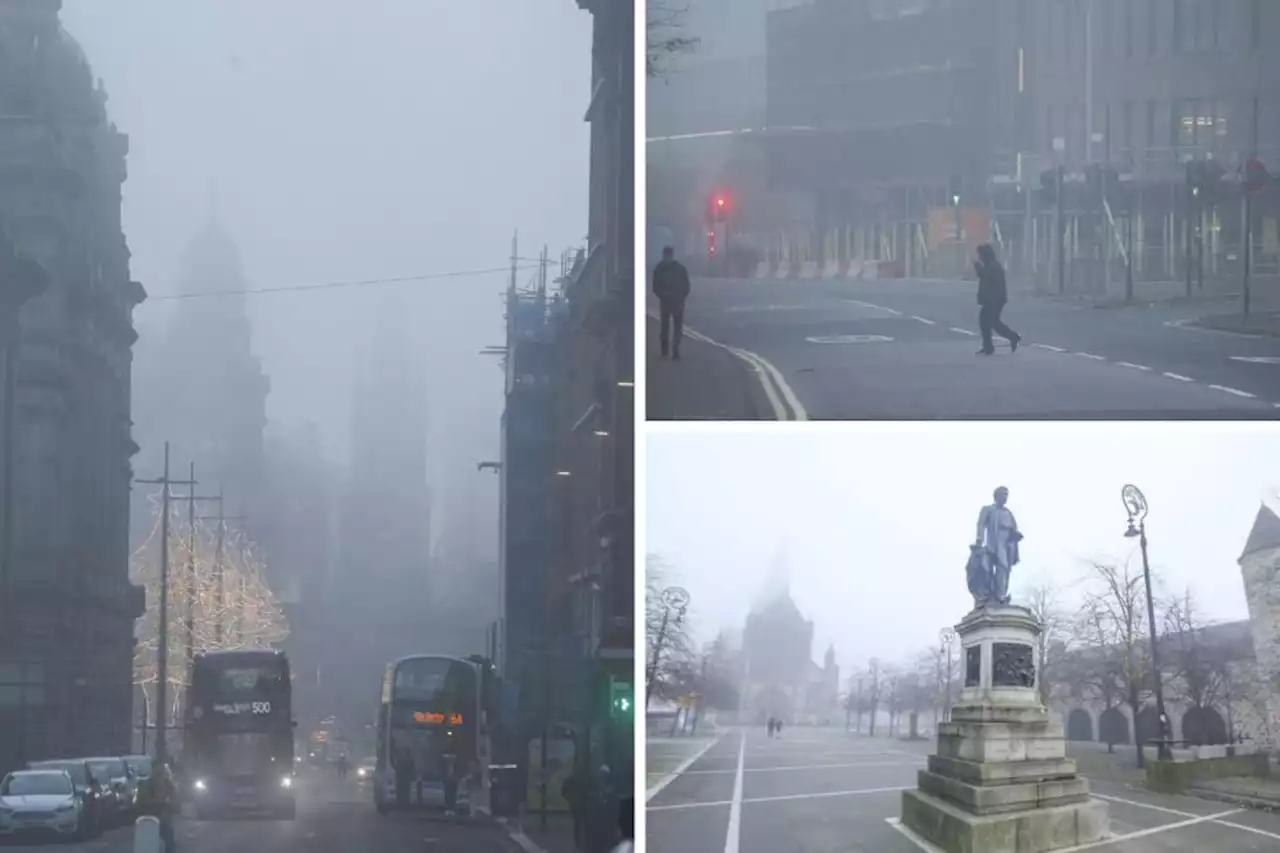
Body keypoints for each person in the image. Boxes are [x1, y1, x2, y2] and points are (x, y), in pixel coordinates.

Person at [973, 243, 1020, 356]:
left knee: (992, 322)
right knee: (986, 322)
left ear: (985, 255)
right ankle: (988, 346)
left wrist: (978, 268)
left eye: (980, 255)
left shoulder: (993, 267)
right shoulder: (991, 265)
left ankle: (1013, 337)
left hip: (994, 300)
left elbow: (986, 278)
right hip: (992, 300)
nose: (979, 257)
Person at [652, 247, 691, 360]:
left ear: (664, 255)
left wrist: (663, 295)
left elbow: (655, 287)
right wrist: (682, 296)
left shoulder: (659, 268)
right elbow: (687, 286)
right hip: (678, 302)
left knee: (665, 326)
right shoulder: (681, 268)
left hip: (666, 301)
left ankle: (665, 351)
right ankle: (675, 349)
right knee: (677, 326)